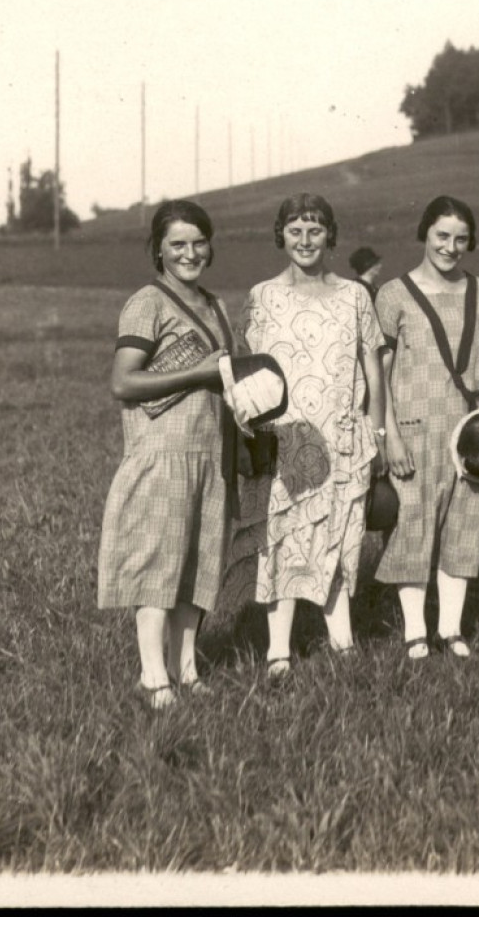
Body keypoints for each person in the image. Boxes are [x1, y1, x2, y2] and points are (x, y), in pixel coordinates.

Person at [230, 194, 387, 677]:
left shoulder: (355, 296)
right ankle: (279, 649)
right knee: (281, 539)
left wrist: (376, 430)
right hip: (283, 441)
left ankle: (342, 642)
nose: (304, 240)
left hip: (341, 437)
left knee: (339, 537)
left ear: (330, 236)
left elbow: (374, 370)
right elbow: (245, 370)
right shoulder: (263, 295)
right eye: (295, 230)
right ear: (282, 236)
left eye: (314, 230)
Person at [97, 200, 235, 709]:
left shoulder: (216, 306)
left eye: (198, 242)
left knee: (197, 567)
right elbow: (123, 381)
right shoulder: (145, 303)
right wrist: (197, 373)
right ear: (158, 249)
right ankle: (153, 676)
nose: (190, 253)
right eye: (177, 244)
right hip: (161, 453)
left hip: (208, 453)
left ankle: (187, 668)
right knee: (158, 566)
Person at [374, 196, 479, 659]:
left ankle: (451, 629)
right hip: (413, 427)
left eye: (461, 239)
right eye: (442, 236)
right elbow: (379, 374)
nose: (451, 247)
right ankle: (415, 631)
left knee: (464, 525)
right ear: (424, 234)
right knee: (413, 524)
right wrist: (387, 434)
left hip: (469, 431)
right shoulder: (393, 294)